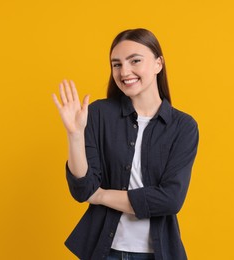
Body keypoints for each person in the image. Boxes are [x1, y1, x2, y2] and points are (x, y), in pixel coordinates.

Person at [52, 28, 199, 260]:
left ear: (158, 64)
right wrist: (75, 135)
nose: (124, 72)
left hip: (158, 253)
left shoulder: (183, 126)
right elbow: (83, 189)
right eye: (116, 64)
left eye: (135, 61)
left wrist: (100, 196)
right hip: (104, 251)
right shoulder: (98, 114)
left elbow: (170, 199)